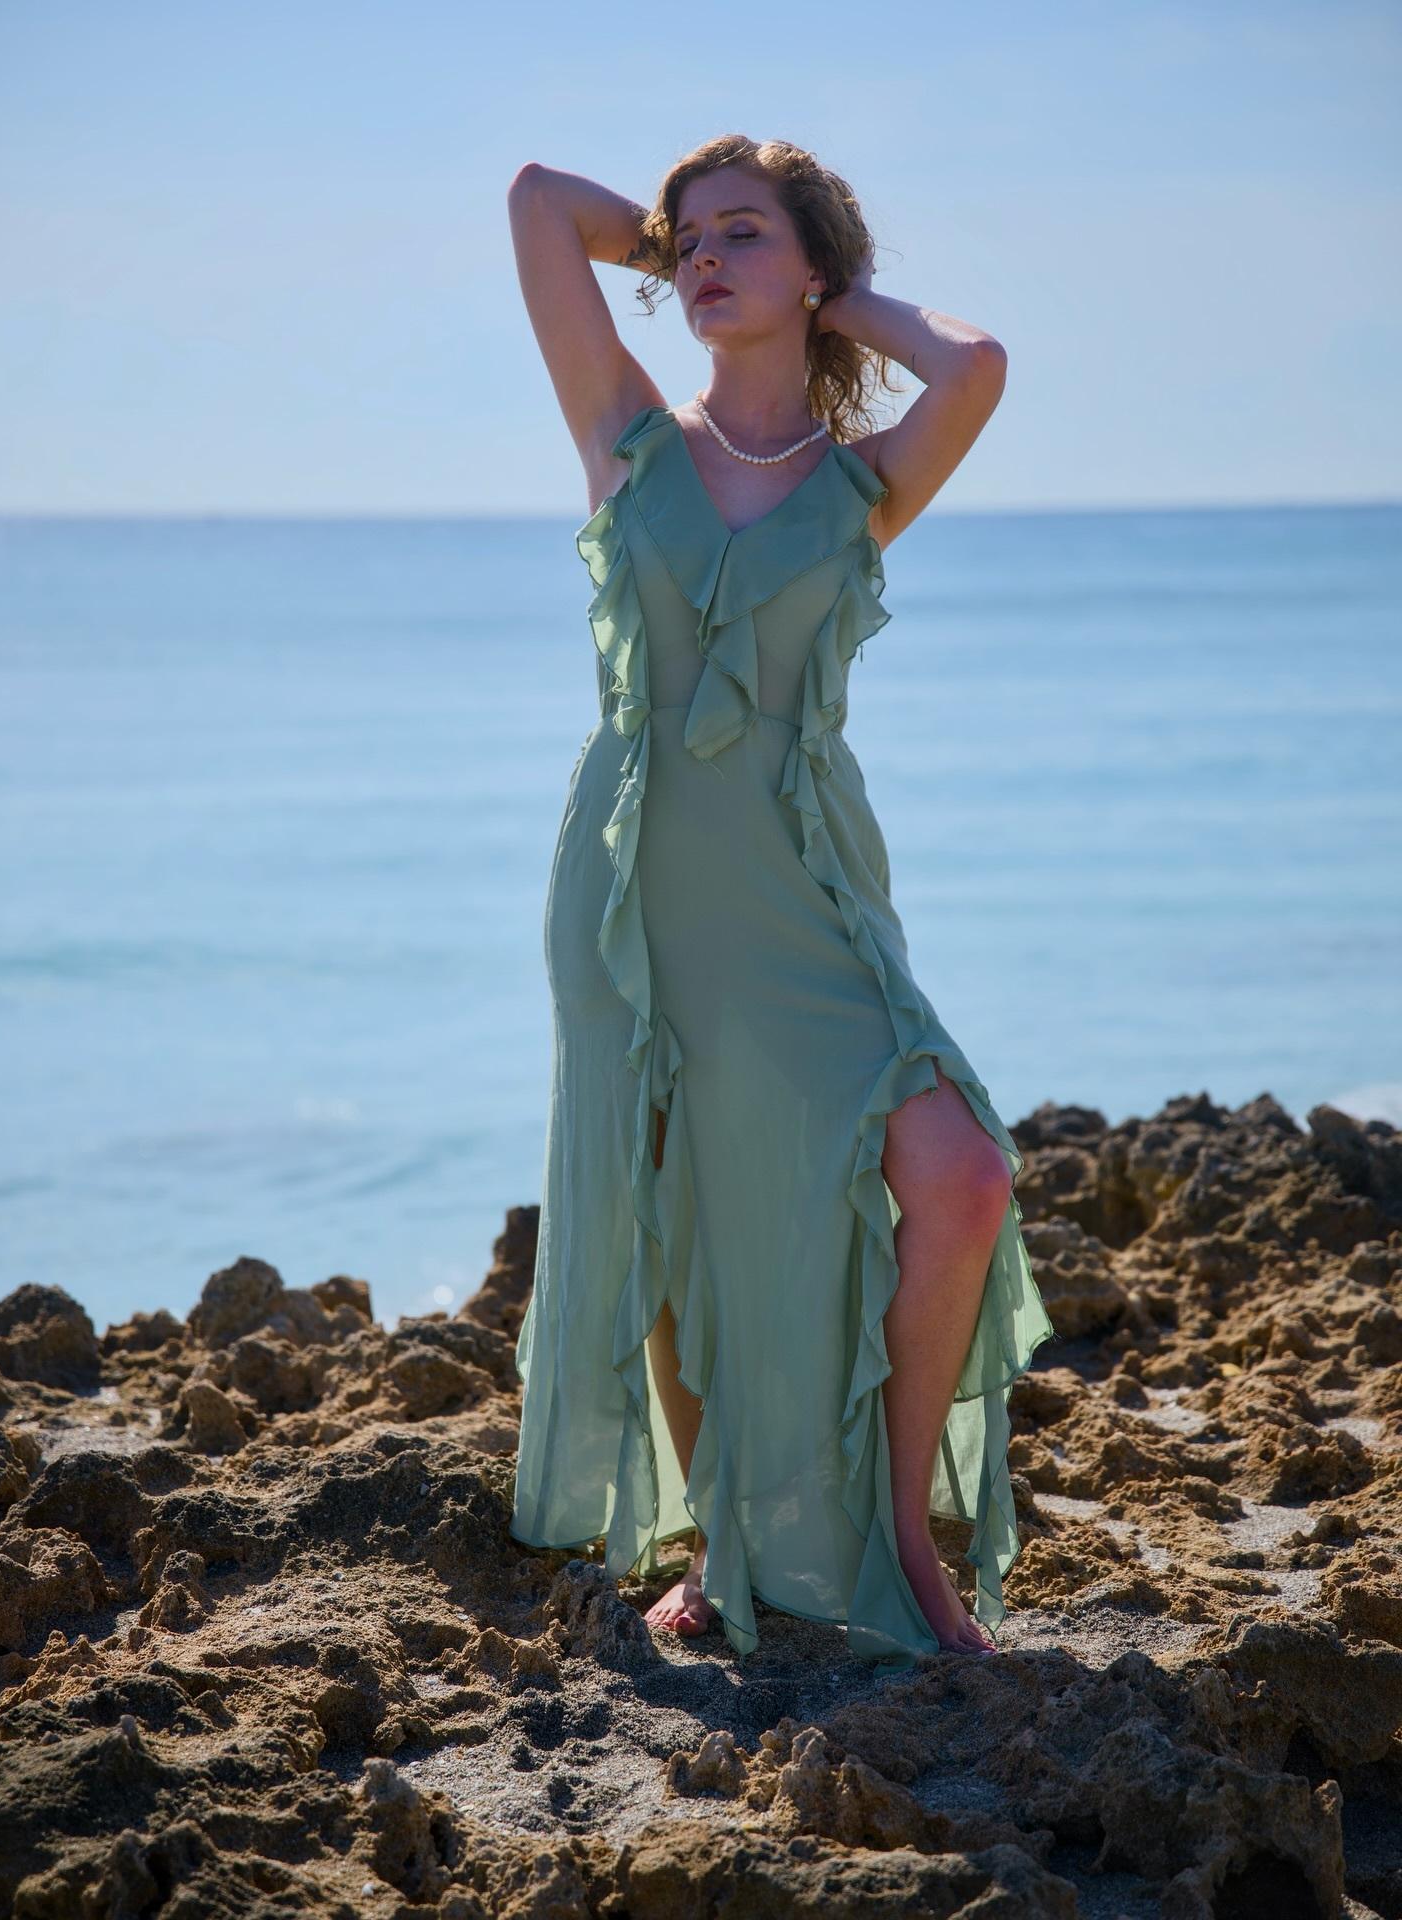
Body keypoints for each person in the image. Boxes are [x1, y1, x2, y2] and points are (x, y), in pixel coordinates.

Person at [505, 134, 1056, 1667]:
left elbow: (975, 365)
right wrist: (682, 246)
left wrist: (831, 292)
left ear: (812, 265)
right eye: (689, 240)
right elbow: (539, 202)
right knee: (670, 1204)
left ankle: (900, 1545)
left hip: (807, 887)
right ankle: (720, 1550)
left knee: (959, 1176)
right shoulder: (628, 438)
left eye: (742, 233)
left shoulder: (862, 487)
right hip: (634, 884)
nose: (703, 257)